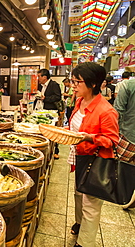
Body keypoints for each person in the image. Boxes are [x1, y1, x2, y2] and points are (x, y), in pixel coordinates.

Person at [67, 62, 119, 247]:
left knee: (91, 205)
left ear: (93, 84)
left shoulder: (106, 111)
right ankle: (80, 223)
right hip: (80, 157)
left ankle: (85, 243)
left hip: (96, 161)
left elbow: (112, 141)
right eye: (72, 81)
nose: (73, 85)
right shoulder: (80, 100)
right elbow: (74, 125)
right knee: (78, 194)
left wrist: (89, 137)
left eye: (77, 81)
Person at [114, 78, 135, 209]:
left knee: (122, 167)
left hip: (129, 134)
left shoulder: (128, 85)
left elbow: (118, 111)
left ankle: (125, 195)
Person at [36, 69, 62, 159]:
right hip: (41, 110)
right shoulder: (40, 86)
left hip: (51, 111)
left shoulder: (54, 85)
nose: (38, 78)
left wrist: (45, 98)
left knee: (53, 132)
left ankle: (56, 151)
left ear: (45, 77)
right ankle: (45, 150)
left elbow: (58, 97)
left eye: (39, 76)